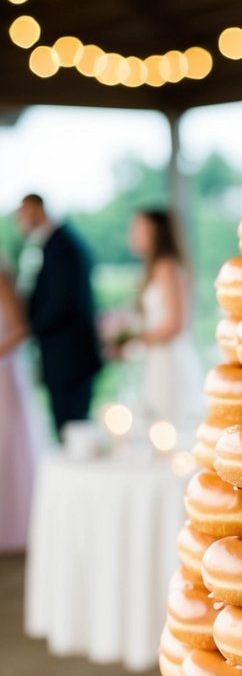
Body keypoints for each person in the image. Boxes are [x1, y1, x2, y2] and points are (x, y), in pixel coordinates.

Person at [16, 193, 102, 435]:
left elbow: (60, 302)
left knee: (72, 429)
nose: (19, 220)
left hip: (69, 358)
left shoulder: (62, 246)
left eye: (22, 213)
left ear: (36, 209)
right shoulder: (56, 243)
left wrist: (26, 326)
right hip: (65, 356)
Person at [127, 208, 202, 427]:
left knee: (168, 425)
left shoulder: (166, 267)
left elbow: (175, 323)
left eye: (138, 229)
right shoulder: (156, 267)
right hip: (158, 359)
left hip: (170, 361)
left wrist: (136, 340)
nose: (133, 235)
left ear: (155, 232)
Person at [0, 260, 37, 550]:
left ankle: (15, 524)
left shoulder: (2, 278)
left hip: (4, 374)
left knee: (8, 445)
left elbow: (20, 329)